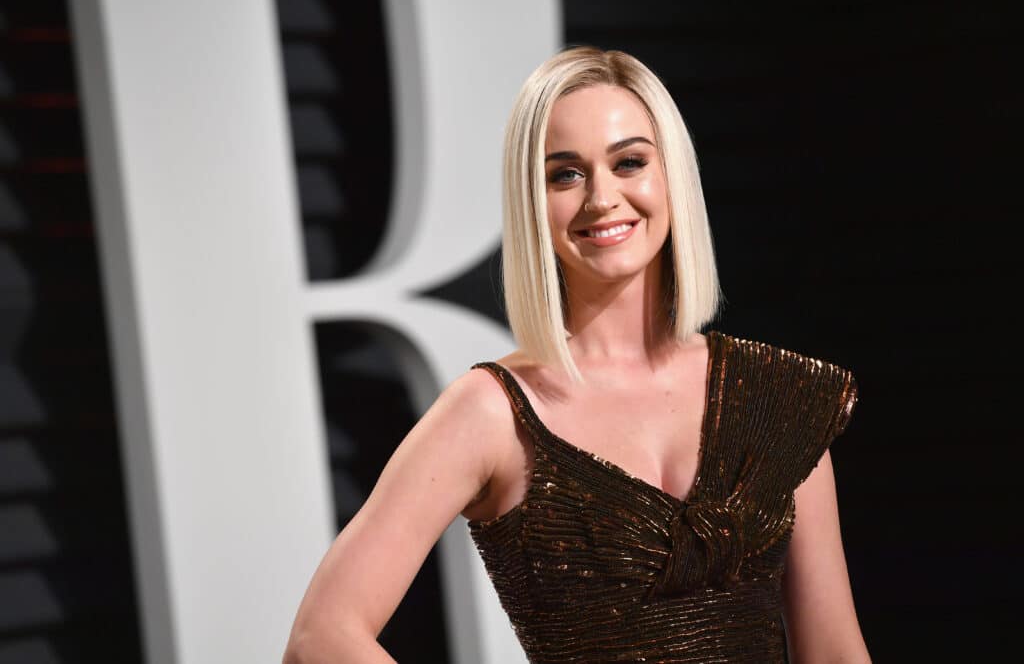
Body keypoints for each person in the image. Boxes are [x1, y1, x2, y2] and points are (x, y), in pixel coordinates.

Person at [283, 46, 870, 663]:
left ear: (671, 174)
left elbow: (833, 651)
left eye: (630, 162)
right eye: (565, 173)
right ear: (531, 201)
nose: (602, 198)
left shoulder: (779, 397)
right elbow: (320, 638)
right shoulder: (494, 412)